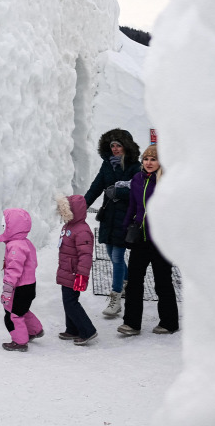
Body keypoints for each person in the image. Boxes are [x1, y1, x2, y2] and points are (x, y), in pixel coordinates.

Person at [119, 145, 179, 335]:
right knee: (134, 282)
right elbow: (133, 206)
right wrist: (125, 229)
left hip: (161, 241)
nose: (149, 163)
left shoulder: (167, 182)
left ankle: (169, 323)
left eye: (153, 159)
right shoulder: (137, 179)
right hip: (140, 238)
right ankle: (131, 323)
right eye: (146, 159)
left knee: (162, 282)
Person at [84, 128, 141, 319]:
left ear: (126, 146)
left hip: (125, 217)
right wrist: (82, 205)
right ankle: (127, 281)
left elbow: (139, 191)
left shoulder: (135, 167)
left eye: (119, 145)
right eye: (112, 145)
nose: (115, 149)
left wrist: (119, 192)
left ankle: (115, 298)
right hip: (109, 216)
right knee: (110, 253)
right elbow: (96, 187)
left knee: (117, 256)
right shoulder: (107, 164)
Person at [0, 208, 44, 352]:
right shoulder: (25, 242)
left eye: (5, 224)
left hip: (19, 287)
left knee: (13, 315)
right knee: (22, 310)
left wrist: (7, 289)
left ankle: (20, 342)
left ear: (12, 226)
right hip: (29, 285)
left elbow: (13, 270)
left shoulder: (15, 246)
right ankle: (35, 330)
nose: (3, 226)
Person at [55, 194, 98, 346]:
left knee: (71, 302)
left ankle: (88, 330)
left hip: (75, 273)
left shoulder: (82, 231)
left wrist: (82, 276)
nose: (62, 213)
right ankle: (72, 329)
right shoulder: (70, 226)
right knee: (68, 301)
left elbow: (85, 255)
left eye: (64, 210)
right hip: (67, 271)